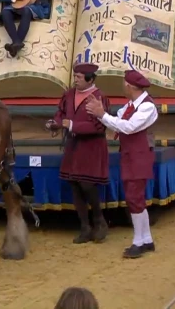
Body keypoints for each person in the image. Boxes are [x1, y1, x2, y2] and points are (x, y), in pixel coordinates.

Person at [86, 70, 158, 259]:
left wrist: (102, 114)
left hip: (138, 156)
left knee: (134, 198)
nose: (123, 86)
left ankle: (139, 241)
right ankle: (146, 239)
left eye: (124, 83)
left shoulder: (146, 107)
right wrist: (101, 114)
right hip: (132, 155)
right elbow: (118, 122)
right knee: (136, 198)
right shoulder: (132, 105)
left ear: (130, 86)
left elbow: (127, 127)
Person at [46, 63, 110, 243]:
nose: (75, 80)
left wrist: (72, 125)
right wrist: (54, 123)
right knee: (74, 184)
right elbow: (61, 113)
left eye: (79, 77)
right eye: (75, 77)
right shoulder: (69, 95)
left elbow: (100, 126)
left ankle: (99, 221)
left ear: (90, 79)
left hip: (91, 146)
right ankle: (84, 227)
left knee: (87, 184)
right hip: (73, 145)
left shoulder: (99, 98)